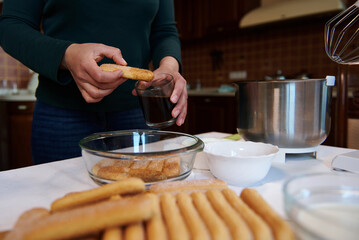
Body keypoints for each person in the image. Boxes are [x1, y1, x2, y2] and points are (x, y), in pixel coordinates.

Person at [0, 0, 188, 164]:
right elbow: (11, 25)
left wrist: (170, 66)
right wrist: (67, 55)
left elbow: (164, 30)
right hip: (62, 115)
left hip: (135, 114)